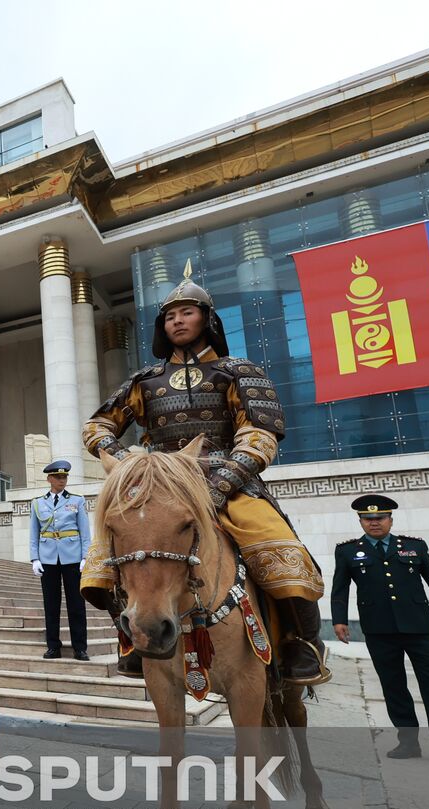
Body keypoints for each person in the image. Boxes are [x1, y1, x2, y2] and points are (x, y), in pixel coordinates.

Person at [81, 263, 329, 686]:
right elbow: (97, 426)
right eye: (170, 315)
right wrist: (127, 464)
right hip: (160, 486)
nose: (177, 321)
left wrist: (222, 484)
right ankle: (137, 637)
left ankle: (302, 644)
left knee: (279, 546)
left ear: (207, 319)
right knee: (101, 562)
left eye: (187, 312)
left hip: (229, 482)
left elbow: (260, 433)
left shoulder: (238, 370)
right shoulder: (145, 380)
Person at [330, 495, 429, 770]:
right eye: (368, 519)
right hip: (379, 630)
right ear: (360, 521)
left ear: (390, 520)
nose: (374, 523)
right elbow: (340, 589)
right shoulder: (347, 551)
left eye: (380, 518)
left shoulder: (414, 547)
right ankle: (408, 743)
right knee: (393, 687)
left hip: (420, 629)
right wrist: (339, 620)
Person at [29, 459, 91, 661]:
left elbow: (85, 532)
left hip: (73, 558)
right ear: (49, 479)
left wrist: (85, 556)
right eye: (58, 477)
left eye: (64, 477)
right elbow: (33, 533)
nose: (62, 480)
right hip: (48, 559)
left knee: (76, 604)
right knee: (51, 605)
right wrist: (35, 558)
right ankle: (53, 646)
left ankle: (80, 648)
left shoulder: (77, 501)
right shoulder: (38, 503)